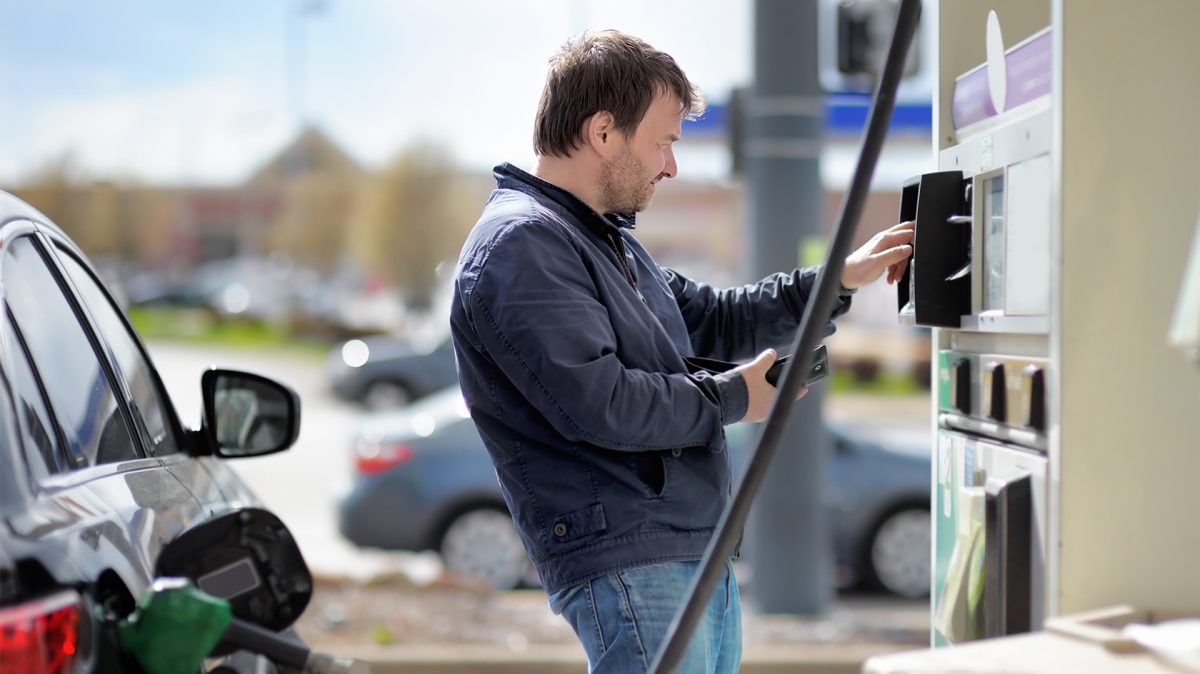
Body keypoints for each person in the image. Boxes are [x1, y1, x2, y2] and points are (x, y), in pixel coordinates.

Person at [449, 29, 915, 674]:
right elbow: (601, 402)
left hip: (684, 548)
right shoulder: (523, 247)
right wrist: (734, 397)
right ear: (604, 132)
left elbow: (711, 318)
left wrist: (838, 279)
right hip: (633, 557)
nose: (671, 166)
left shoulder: (598, 240)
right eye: (663, 143)